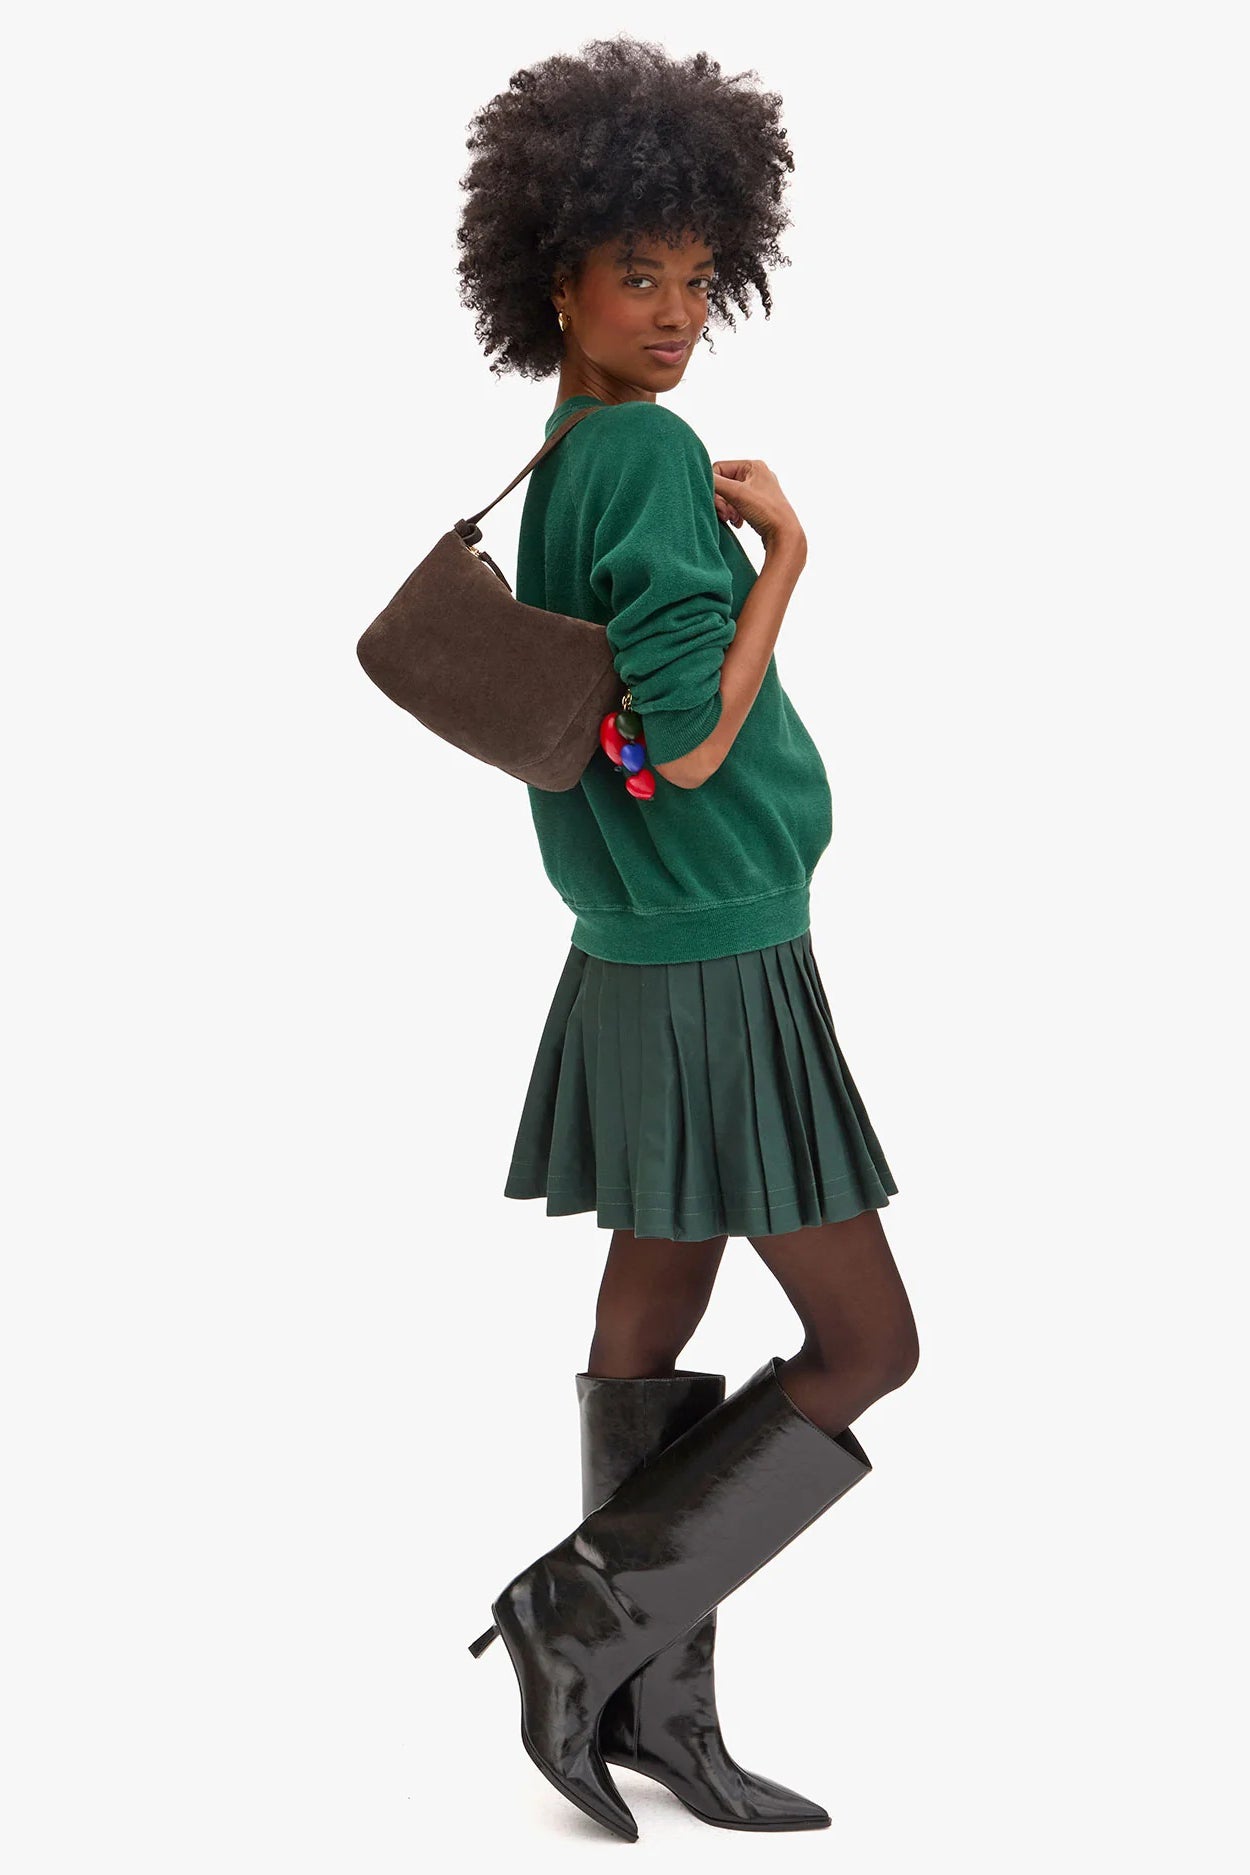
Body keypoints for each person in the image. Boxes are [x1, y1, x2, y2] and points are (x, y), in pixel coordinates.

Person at [455, 35, 920, 1840]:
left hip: (636, 952)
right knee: (866, 1345)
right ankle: (576, 1627)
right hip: (717, 957)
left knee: (651, 1318)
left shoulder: (570, 455)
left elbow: (627, 746)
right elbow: (684, 745)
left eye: (696, 279)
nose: (672, 314)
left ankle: (651, 1709)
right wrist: (788, 558)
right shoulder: (644, 452)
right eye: (635, 273)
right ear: (553, 279)